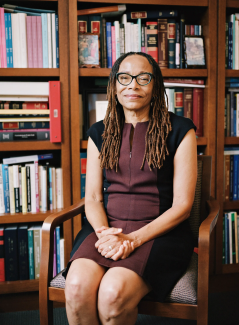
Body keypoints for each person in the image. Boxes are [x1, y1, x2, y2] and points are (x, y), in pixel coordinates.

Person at [63, 52, 197, 325]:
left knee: (113, 294)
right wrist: (105, 235)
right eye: (124, 78)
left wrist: (133, 239)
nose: (132, 85)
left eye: (143, 78)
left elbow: (183, 206)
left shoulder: (181, 129)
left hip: (159, 233)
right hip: (107, 228)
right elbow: (92, 197)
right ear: (114, 85)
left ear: (155, 85)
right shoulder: (99, 132)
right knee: (76, 288)